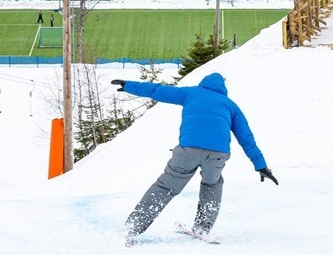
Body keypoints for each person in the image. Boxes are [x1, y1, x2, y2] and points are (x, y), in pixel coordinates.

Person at [113, 72, 277, 242]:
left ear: (203, 82)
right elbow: (247, 139)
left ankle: (133, 226)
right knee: (212, 184)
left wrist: (128, 85)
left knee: (165, 187)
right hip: (217, 156)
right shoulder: (231, 106)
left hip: (187, 152)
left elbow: (157, 90)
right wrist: (261, 166)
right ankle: (202, 229)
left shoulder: (191, 93)